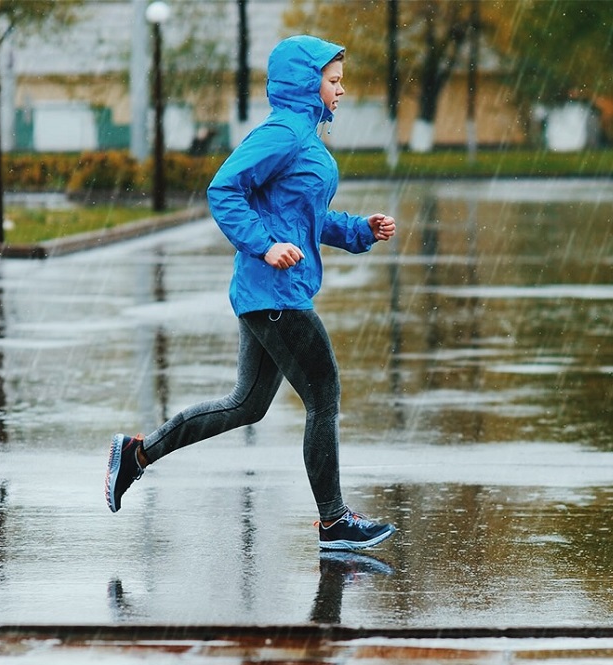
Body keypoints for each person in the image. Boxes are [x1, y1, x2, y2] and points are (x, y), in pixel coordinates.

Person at [106, 35, 397, 552]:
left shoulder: (304, 136)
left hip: (272, 293)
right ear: (308, 83)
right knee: (324, 394)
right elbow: (224, 188)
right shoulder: (285, 133)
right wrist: (264, 247)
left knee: (246, 405)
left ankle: (136, 454)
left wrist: (359, 230)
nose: (342, 90)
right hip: (274, 293)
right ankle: (334, 522)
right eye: (333, 81)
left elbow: (304, 218)